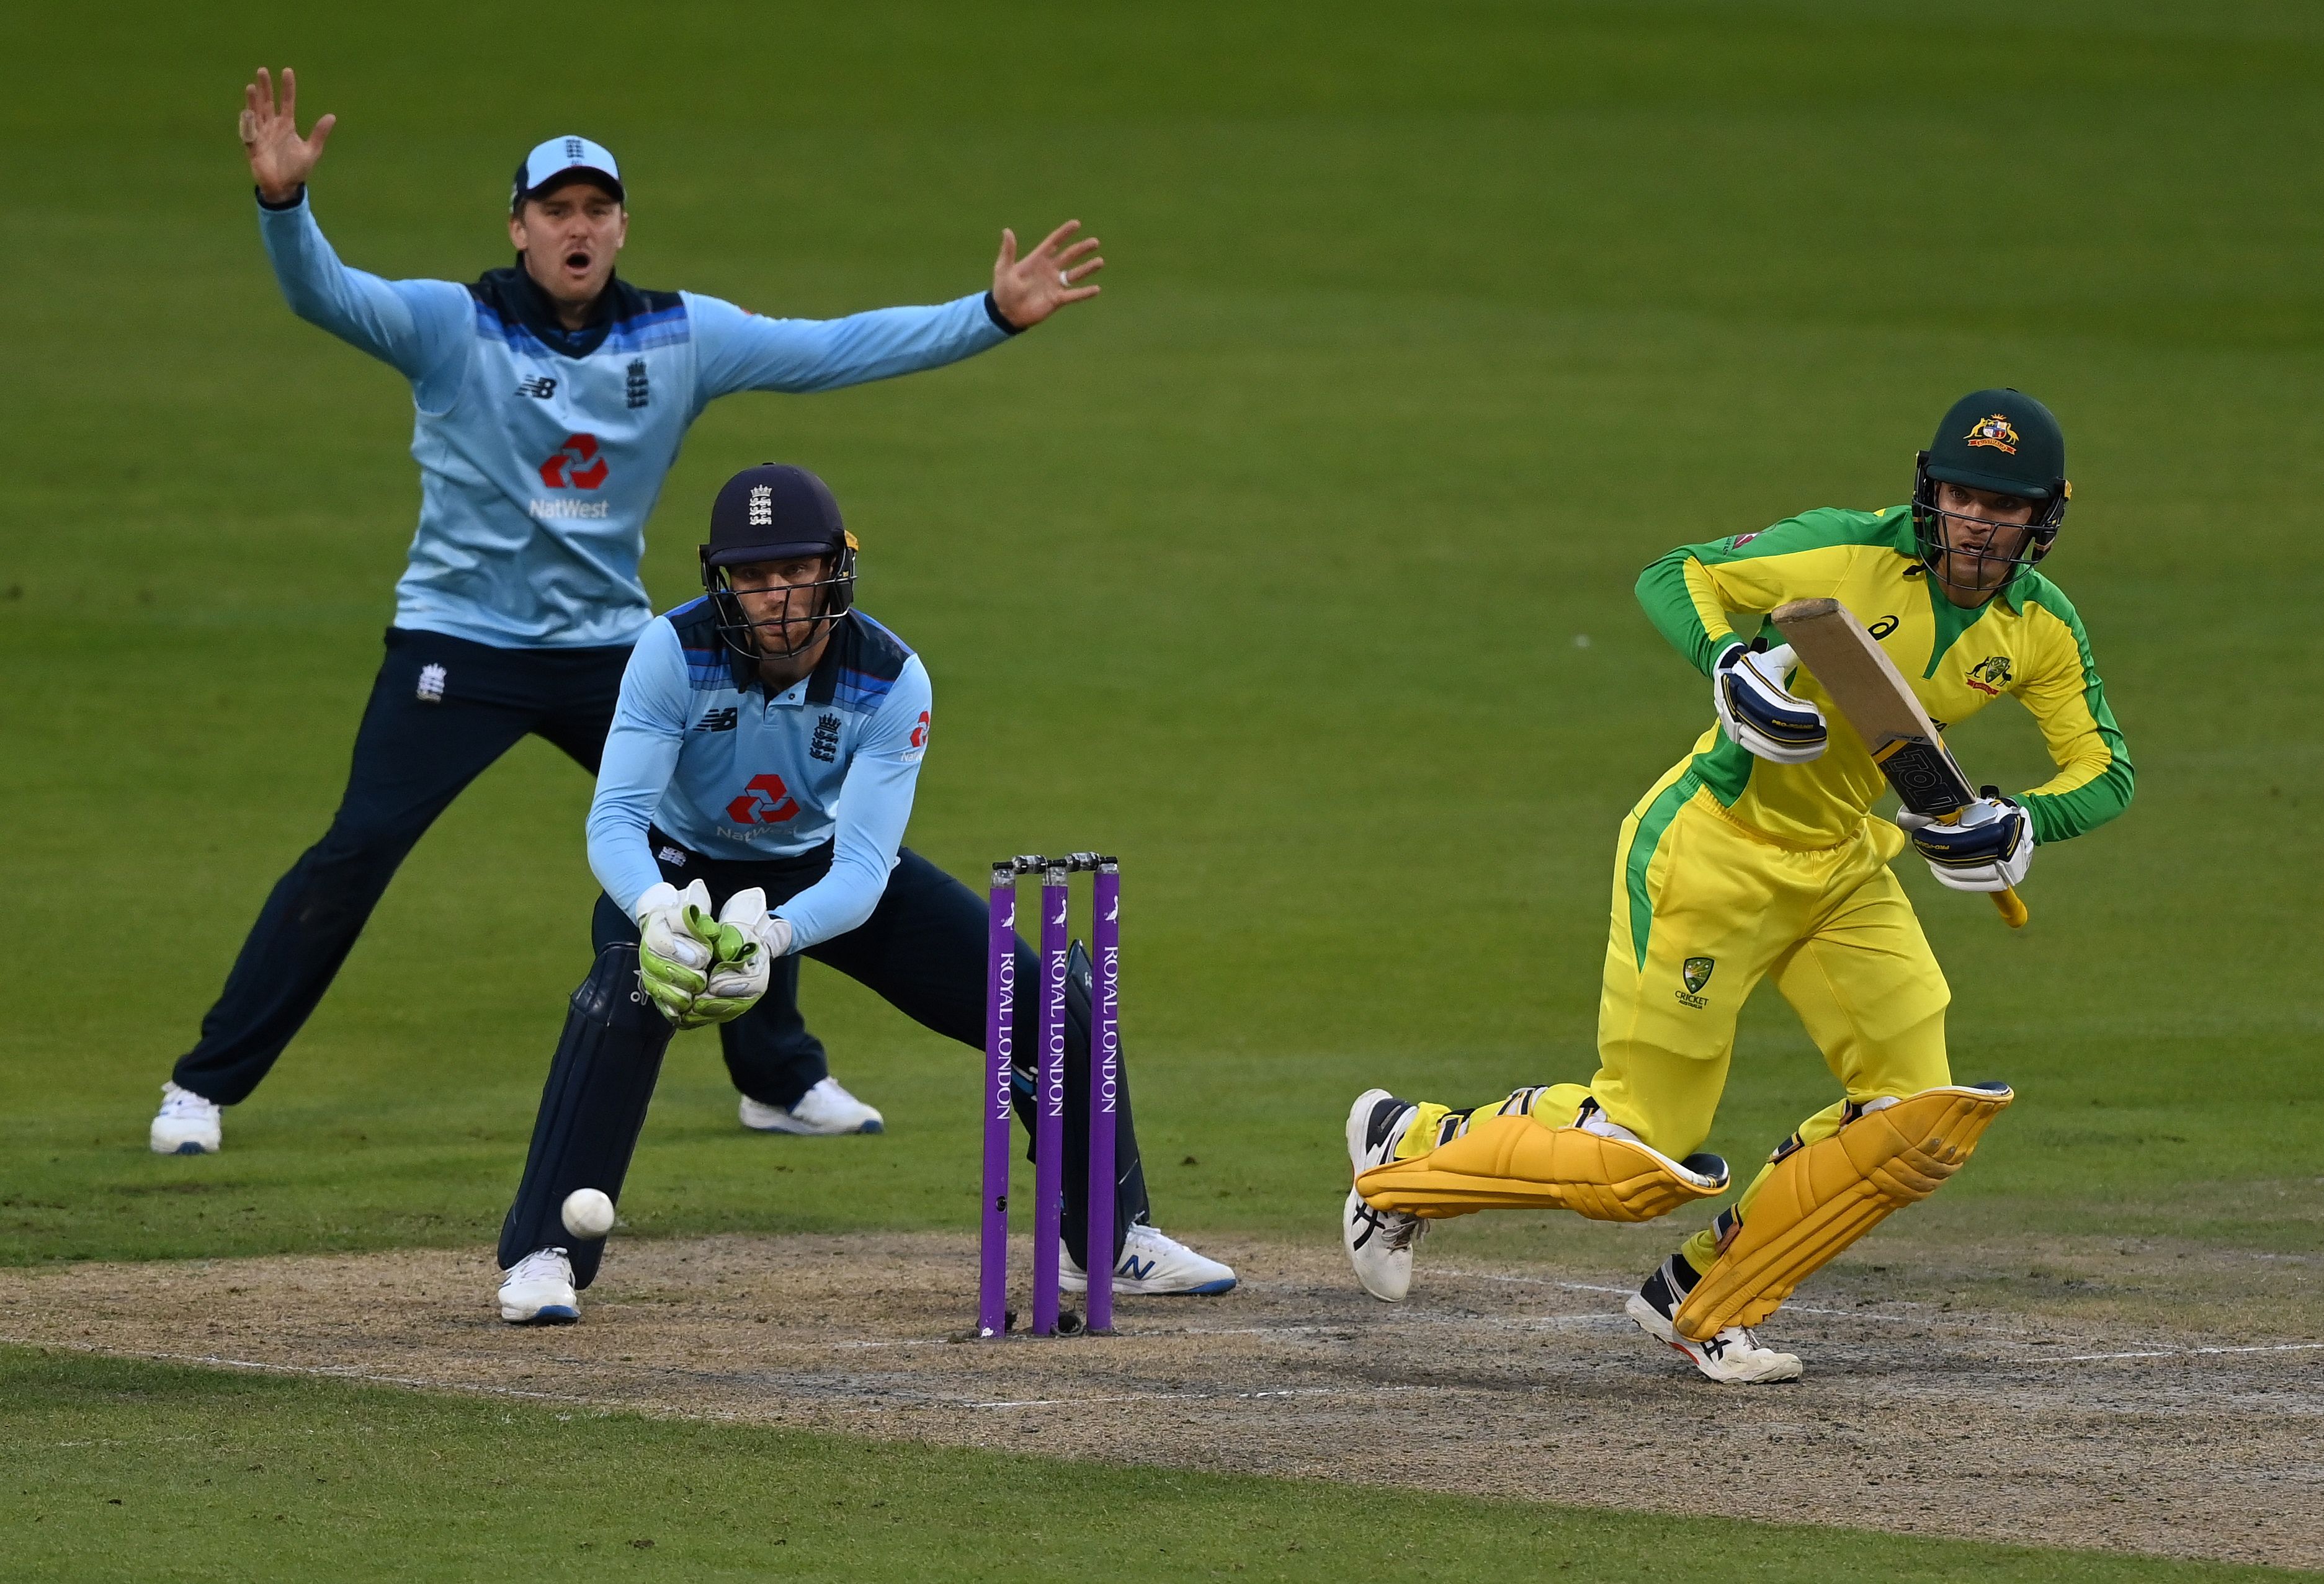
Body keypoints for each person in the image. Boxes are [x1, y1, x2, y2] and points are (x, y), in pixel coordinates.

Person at [152, 69, 1104, 1154]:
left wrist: (988, 317)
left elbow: (831, 347)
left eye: (597, 209)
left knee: (744, 835)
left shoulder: (676, 336)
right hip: (457, 644)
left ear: (619, 228)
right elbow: (327, 296)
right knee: (357, 848)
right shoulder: (449, 325)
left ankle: (776, 1077)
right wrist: (285, 206)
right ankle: (205, 1084)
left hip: (610, 648)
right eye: (555, 210)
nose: (578, 227)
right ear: (518, 227)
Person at [1338, 389, 2133, 1383]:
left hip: (1841, 865)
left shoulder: (2038, 629)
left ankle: (1703, 1300)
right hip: (1711, 852)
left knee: (1920, 1117)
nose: (1978, 522)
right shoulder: (1840, 553)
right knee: (1637, 1162)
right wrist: (1728, 665)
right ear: (1930, 491)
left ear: (2043, 516)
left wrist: (2022, 821)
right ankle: (1404, 1151)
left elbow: (2105, 768)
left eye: (2003, 505)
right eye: (1964, 495)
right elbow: (1675, 573)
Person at [493, 463, 1236, 1322]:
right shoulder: (673, 650)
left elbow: (863, 870)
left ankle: (1109, 1240)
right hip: (681, 863)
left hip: (819, 866)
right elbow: (614, 819)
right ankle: (544, 1252)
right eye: (753, 577)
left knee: (1052, 1014)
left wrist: (770, 937)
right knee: (616, 1005)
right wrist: (660, 912)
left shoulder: (890, 677)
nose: (776, 596)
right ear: (723, 580)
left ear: (834, 566)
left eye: (795, 571)